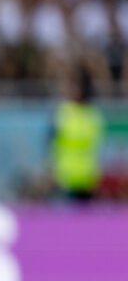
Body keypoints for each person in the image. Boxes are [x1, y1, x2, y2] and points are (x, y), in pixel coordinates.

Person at [50, 74, 105, 203]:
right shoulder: (63, 111)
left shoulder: (93, 114)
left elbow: (97, 144)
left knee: (84, 219)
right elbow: (52, 140)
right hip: (66, 175)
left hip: (87, 175)